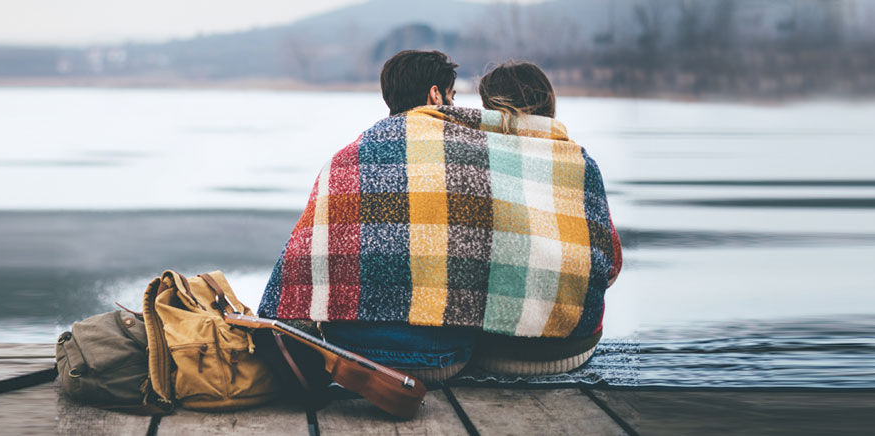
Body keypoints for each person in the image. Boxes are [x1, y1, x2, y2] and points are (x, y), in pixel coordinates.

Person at [257, 52, 623, 385]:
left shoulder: (343, 159)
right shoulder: (544, 161)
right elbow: (610, 267)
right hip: (516, 351)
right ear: (436, 95)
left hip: (352, 354)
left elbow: (299, 263)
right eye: (453, 96)